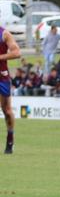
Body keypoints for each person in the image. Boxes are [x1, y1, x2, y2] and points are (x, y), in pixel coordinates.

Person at [0, 25, 21, 154]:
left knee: (7, 111)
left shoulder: (4, 34)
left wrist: (0, 57)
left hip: (1, 76)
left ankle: (10, 139)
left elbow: (17, 52)